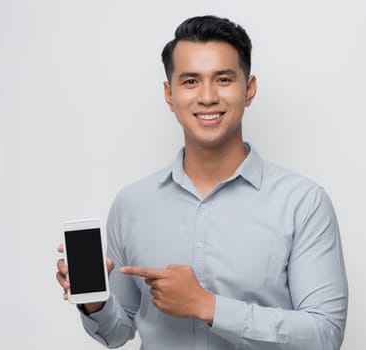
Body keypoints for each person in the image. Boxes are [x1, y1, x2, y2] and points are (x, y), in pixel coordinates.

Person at [55, 15, 348, 349]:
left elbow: (325, 335)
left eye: (223, 79)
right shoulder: (131, 205)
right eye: (190, 81)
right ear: (169, 94)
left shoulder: (303, 203)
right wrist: (95, 302)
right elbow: (118, 332)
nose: (207, 97)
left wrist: (207, 306)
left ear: (248, 89)